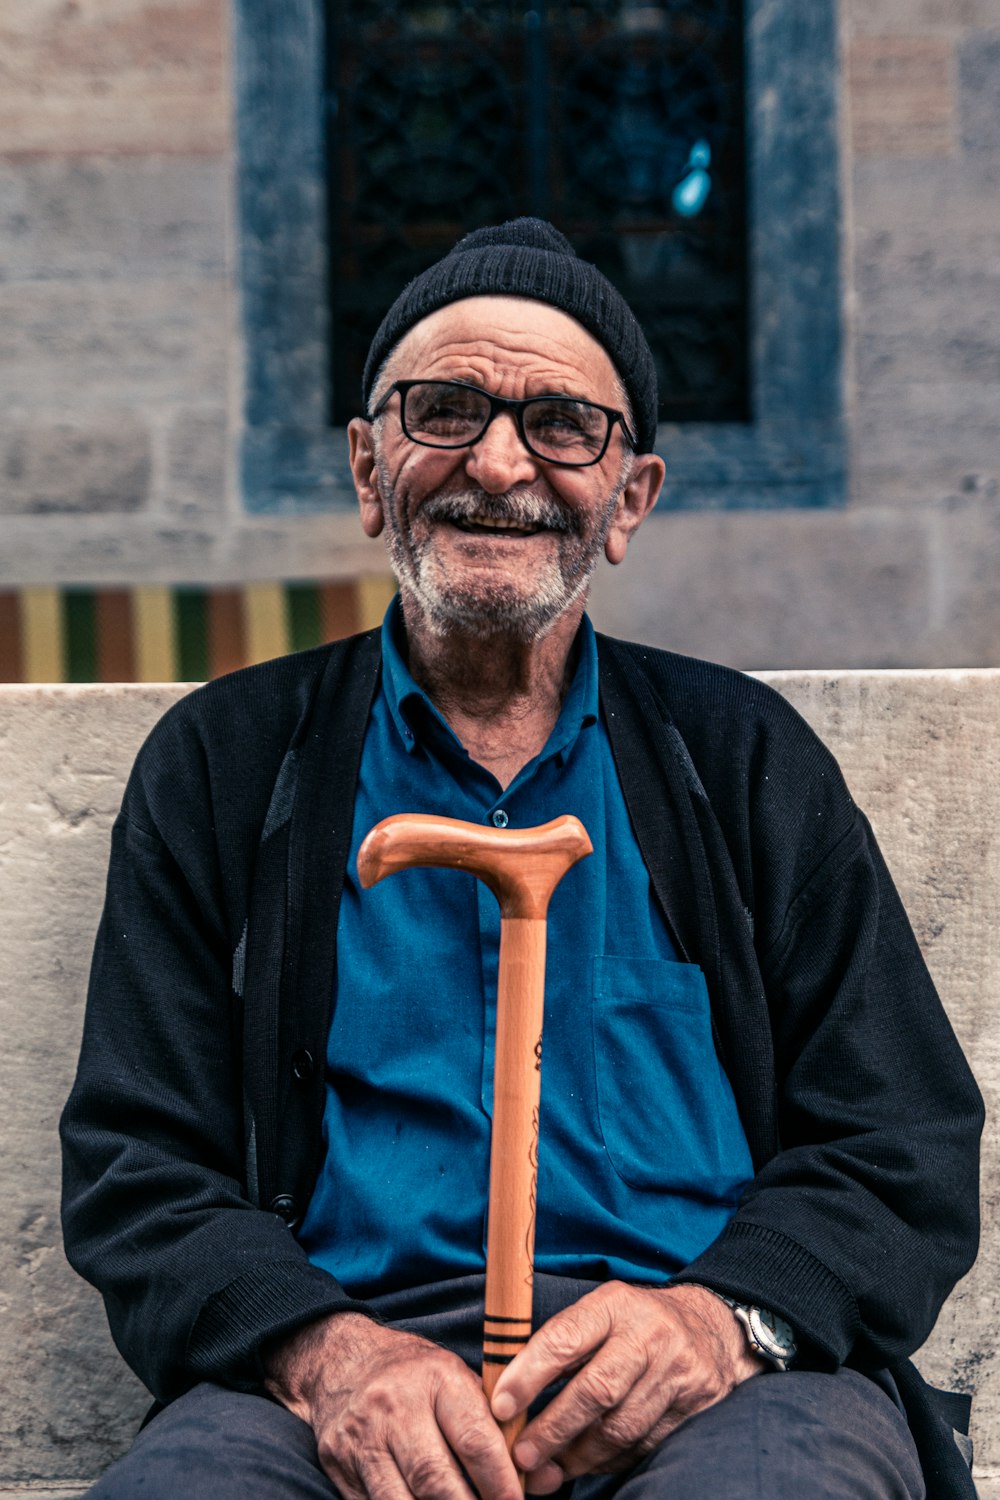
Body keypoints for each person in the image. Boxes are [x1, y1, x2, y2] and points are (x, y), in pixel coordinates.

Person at [61, 219, 983, 1500]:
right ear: (370, 468)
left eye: (562, 425)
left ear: (629, 499)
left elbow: (904, 1147)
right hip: (346, 1373)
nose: (498, 463)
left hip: (706, 1378)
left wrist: (719, 1324)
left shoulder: (739, 758)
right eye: (445, 410)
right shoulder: (228, 764)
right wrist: (324, 1358)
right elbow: (137, 1170)